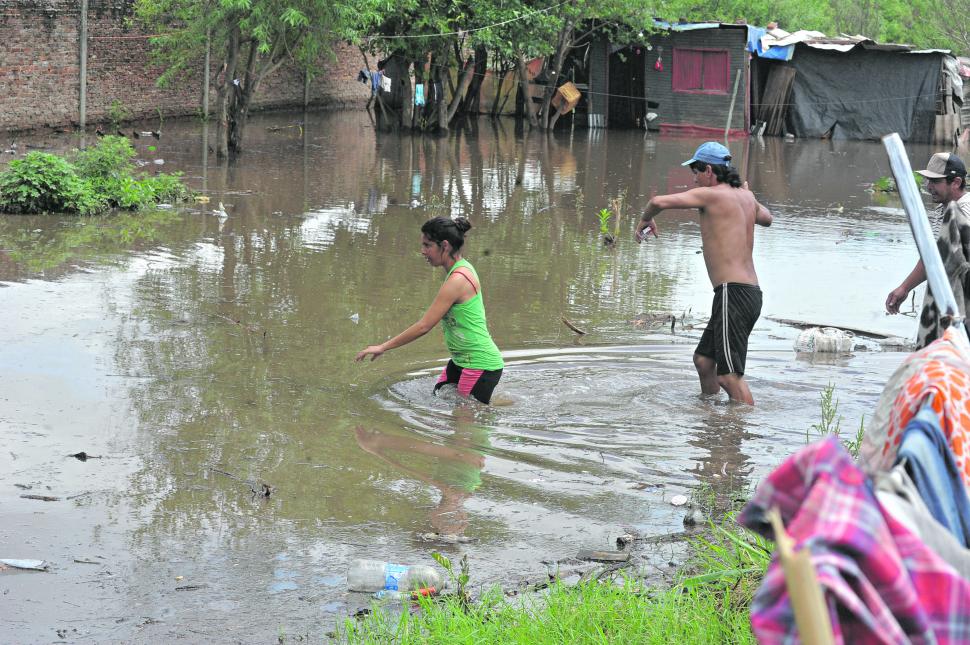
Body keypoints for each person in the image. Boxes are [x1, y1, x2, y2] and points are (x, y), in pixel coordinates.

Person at [635, 142, 772, 405]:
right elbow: (767, 218)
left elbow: (657, 201)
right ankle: (709, 415)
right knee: (704, 361)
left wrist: (645, 220)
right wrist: (749, 196)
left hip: (733, 293)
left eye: (696, 172)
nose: (694, 178)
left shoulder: (711, 195)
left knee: (729, 376)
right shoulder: (746, 197)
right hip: (747, 293)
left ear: (709, 170)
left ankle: (742, 429)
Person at [355, 216, 504, 404]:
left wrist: (383, 347)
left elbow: (424, 326)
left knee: (464, 425)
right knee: (438, 398)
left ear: (445, 246)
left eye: (427, 246)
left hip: (479, 364)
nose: (423, 251)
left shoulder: (457, 280)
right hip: (462, 361)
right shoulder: (461, 269)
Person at [885, 152, 970, 348]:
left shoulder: (964, 211)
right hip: (949, 294)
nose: (928, 186)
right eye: (927, 180)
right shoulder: (943, 209)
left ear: (955, 182)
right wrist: (905, 288)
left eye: (935, 181)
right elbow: (932, 257)